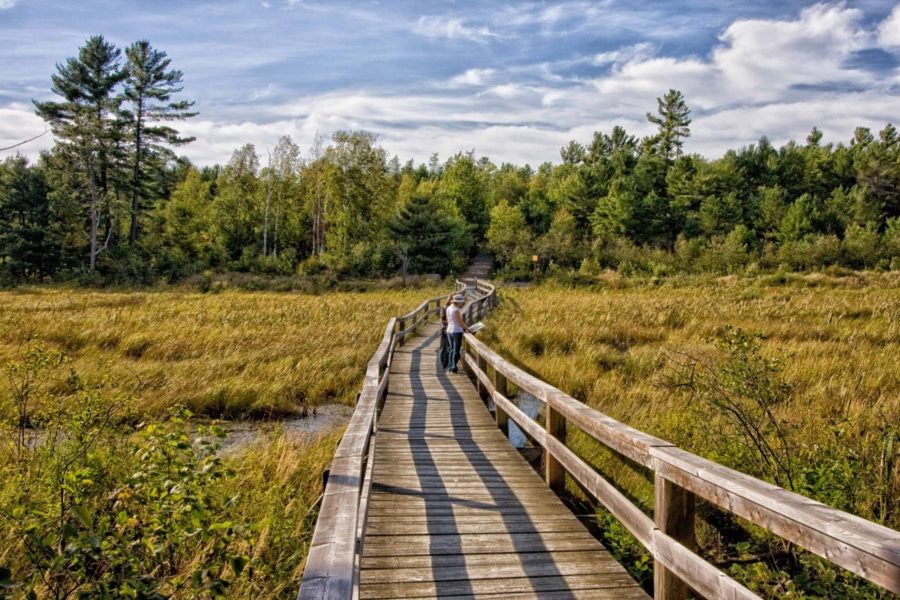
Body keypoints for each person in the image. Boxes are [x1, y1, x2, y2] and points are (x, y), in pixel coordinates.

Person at [445, 293, 469, 374]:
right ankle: (454, 367)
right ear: (458, 302)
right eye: (462, 302)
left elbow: (448, 321)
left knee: (451, 349)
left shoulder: (448, 308)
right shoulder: (456, 310)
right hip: (457, 331)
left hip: (449, 330)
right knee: (456, 349)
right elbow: (460, 323)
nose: (462, 303)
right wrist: (467, 328)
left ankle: (450, 365)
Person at [438, 296, 453, 370]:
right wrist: (450, 323)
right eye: (452, 299)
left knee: (449, 347)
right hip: (445, 330)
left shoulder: (454, 308)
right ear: (449, 300)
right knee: (443, 347)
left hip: (451, 330)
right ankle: (443, 364)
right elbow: (442, 320)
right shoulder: (444, 308)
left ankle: (447, 363)